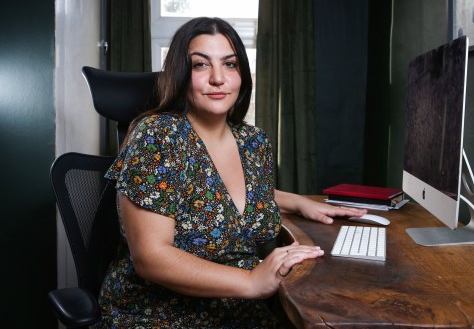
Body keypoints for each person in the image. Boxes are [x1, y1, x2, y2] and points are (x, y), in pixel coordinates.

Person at [98, 17, 367, 328]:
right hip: (159, 313)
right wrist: (252, 281)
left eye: (230, 64)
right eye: (200, 65)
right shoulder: (158, 137)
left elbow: (227, 197)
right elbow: (150, 258)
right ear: (182, 75)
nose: (217, 78)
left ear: (242, 75)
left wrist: (299, 201)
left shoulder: (254, 142)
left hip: (239, 309)